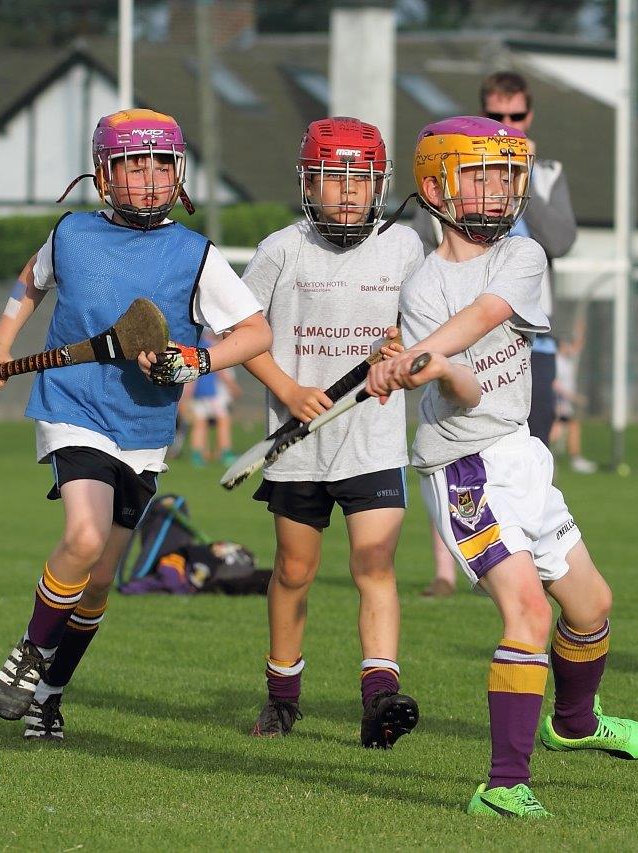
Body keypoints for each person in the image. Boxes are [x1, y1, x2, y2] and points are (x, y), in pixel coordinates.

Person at [367, 116, 638, 818]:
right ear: (435, 186)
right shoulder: (422, 287)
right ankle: (502, 785)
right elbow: (463, 392)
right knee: (527, 613)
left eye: (505, 175)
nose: (498, 190)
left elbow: (488, 315)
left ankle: (576, 723)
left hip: (521, 453)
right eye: (479, 175)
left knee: (591, 606)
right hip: (464, 466)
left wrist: (419, 357)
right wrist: (432, 368)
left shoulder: (521, 257)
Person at [0, 109, 271, 741]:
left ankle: (49, 696)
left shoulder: (197, 255)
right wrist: (0, 344)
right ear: (104, 174)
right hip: (72, 404)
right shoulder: (72, 233)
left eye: (160, 163)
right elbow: (29, 284)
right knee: (82, 539)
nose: (147, 177)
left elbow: (256, 332)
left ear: (179, 172)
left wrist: (198, 360)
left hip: (143, 426)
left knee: (100, 580)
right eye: (133, 164)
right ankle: (29, 652)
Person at [240, 117, 424, 746]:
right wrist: (288, 390)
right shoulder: (280, 250)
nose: (348, 191)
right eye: (333, 178)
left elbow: (425, 335)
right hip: (298, 442)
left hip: (372, 440)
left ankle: (379, 701)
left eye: (362, 179)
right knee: (295, 571)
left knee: (375, 563)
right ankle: (282, 695)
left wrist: (405, 352)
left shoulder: (404, 248)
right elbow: (241, 335)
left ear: (380, 185)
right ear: (308, 183)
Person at [416, 70, 579, 597]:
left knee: (523, 438)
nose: (508, 124)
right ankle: (451, 569)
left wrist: (520, 170)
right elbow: (430, 253)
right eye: (498, 115)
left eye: (516, 117)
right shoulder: (452, 172)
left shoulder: (544, 174)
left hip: (524, 333)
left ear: (529, 117)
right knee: (459, 428)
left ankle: (517, 545)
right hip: (452, 344)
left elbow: (560, 240)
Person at [186, 332, 241, 467]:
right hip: (214, 394)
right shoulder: (214, 345)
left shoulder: (199, 344)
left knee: (200, 423)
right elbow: (219, 369)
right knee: (223, 421)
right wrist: (232, 386)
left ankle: (198, 456)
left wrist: (188, 391)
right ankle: (225, 454)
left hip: (200, 392)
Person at [550, 314, 596, 473]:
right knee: (557, 430)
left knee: (566, 428)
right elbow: (554, 384)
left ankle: (571, 458)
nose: (569, 346)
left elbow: (577, 348)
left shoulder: (566, 359)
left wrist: (580, 332)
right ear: (560, 346)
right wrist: (574, 398)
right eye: (565, 344)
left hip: (564, 403)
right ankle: (572, 459)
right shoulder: (556, 360)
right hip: (558, 402)